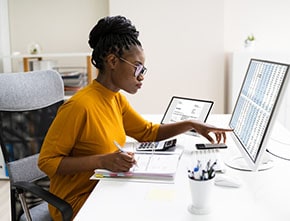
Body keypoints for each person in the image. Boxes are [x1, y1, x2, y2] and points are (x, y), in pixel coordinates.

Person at [38, 15, 232, 220]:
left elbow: (148, 133)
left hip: (105, 187)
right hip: (78, 203)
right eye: (137, 67)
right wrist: (102, 161)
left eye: (143, 69)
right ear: (112, 61)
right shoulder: (78, 107)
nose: (141, 76)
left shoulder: (115, 100)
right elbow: (47, 162)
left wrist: (191, 124)